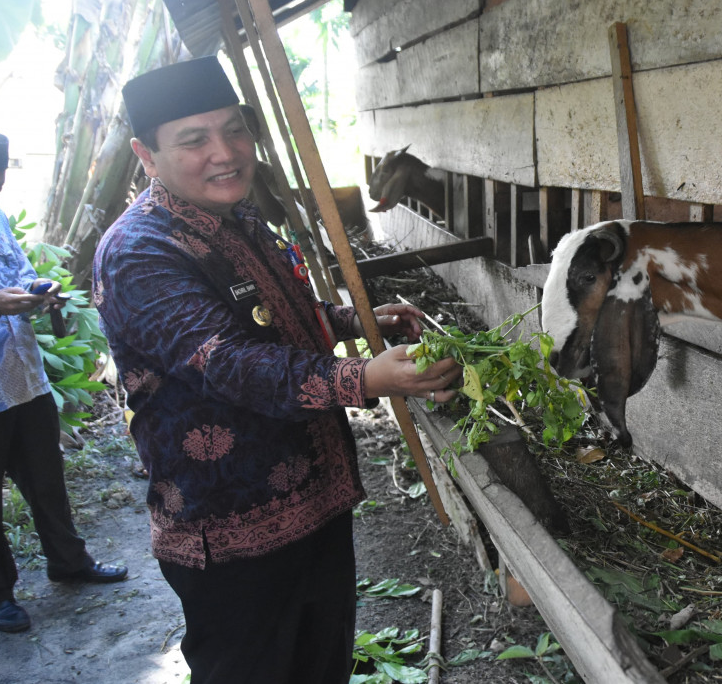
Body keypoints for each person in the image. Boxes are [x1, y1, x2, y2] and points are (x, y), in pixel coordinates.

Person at [92, 57, 460, 684]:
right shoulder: (140, 251)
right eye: (195, 140)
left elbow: (275, 314)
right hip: (232, 532)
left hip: (315, 498)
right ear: (145, 154)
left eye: (235, 131)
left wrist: (350, 320)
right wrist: (364, 379)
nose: (225, 153)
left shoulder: (238, 217)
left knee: (323, 665)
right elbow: (226, 362)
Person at [0, 132, 128, 635]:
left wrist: (38, 289)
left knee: (46, 478)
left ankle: (68, 562)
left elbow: (18, 272)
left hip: (22, 377)